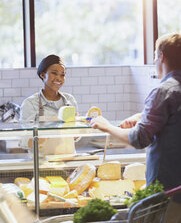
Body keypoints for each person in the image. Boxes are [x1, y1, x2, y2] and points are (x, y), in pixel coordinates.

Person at [91, 33, 181, 223]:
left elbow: (139, 139)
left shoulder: (163, 90)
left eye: (155, 56)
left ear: (162, 56)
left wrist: (106, 126)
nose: (155, 61)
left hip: (168, 193)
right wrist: (143, 116)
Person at [20, 54, 78, 122]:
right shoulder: (30, 103)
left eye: (62, 75)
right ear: (43, 75)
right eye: (54, 73)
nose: (59, 78)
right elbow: (26, 132)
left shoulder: (70, 100)